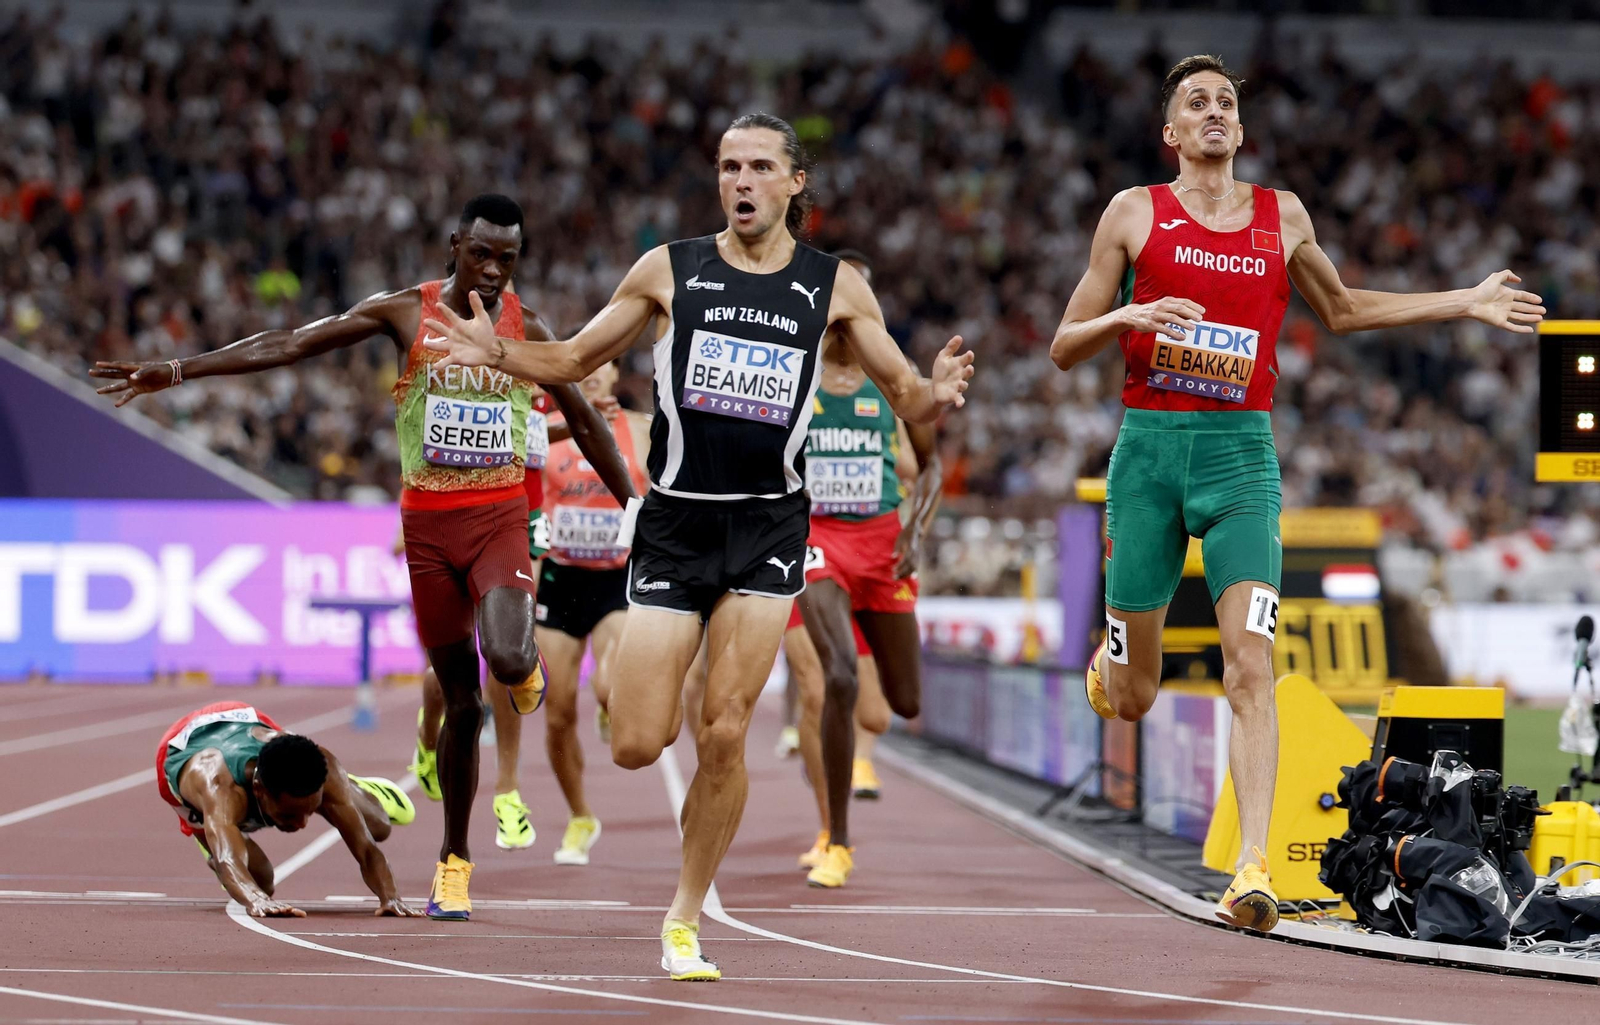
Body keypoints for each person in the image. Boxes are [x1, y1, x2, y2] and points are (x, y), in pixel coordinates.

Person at [420, 113, 973, 980]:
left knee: (725, 728)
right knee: (639, 741)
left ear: (796, 184)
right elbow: (573, 359)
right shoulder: (671, 270)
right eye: (727, 166)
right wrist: (505, 351)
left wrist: (933, 391)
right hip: (675, 523)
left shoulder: (833, 287)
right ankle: (638, 671)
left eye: (758, 166)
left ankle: (684, 916)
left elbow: (902, 386)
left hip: (768, 526)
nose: (740, 181)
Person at [1048, 54, 1545, 933]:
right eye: (1195, 102)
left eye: (1225, 103)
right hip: (1149, 459)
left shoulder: (1282, 216)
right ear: (1170, 132)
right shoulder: (1133, 212)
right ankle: (1112, 667)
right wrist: (1127, 316)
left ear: (1238, 130)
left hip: (1242, 462)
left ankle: (1253, 867)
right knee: (1134, 694)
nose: (1212, 112)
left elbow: (1344, 309)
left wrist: (1462, 301)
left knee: (1252, 667)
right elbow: (1062, 344)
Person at [93, 194, 637, 922]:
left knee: (506, 657)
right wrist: (179, 370)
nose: (494, 271)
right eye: (482, 254)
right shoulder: (404, 313)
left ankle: (524, 664)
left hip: (499, 517)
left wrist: (638, 503)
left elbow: (585, 418)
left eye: (508, 259)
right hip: (427, 530)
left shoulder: (526, 328)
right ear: (454, 245)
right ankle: (454, 861)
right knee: (462, 702)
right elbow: (290, 341)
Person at [788, 248, 941, 889]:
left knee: (899, 703)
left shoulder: (893, 382)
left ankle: (836, 824)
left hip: (882, 545)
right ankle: (837, 837)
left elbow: (929, 467)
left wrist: (915, 528)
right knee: (835, 680)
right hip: (815, 541)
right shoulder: (796, 375)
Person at [401, 389, 592, 853]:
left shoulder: (536, 373)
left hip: (520, 522)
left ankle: (507, 788)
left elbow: (538, 430)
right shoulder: (456, 370)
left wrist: (583, 422)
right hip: (454, 516)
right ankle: (428, 740)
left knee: (505, 651)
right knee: (451, 677)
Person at [535, 358, 651, 866]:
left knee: (610, 684)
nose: (592, 375)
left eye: (603, 369)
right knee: (558, 711)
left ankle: (610, 705)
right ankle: (581, 816)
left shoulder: (643, 431)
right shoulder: (546, 431)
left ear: (616, 377)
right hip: (561, 580)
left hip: (617, 579)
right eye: (584, 367)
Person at [155, 701, 415, 918]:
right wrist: (257, 899)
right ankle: (211, 832)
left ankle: (352, 786)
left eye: (310, 810)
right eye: (290, 814)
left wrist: (390, 897)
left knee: (378, 826)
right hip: (182, 752)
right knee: (261, 881)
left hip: (248, 723)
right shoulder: (217, 786)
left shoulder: (325, 768)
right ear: (259, 789)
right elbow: (228, 860)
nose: (302, 824)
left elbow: (367, 849)